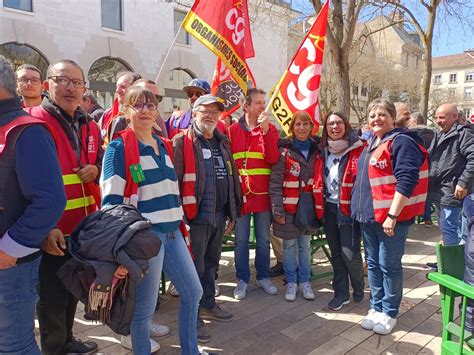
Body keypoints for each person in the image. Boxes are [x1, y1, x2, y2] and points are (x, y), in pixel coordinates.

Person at [101, 86, 202, 354]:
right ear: (126, 110)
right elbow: (111, 204)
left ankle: (190, 350)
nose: (145, 110)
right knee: (143, 310)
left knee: (193, 293)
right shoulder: (118, 148)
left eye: (150, 105)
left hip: (174, 233)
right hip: (146, 239)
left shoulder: (165, 145)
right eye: (138, 105)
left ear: (157, 111)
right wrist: (119, 253)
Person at [25, 59, 102, 354]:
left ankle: (68, 340)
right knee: (53, 296)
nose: (70, 87)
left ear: (84, 89)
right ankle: (55, 348)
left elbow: (99, 162)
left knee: (74, 290)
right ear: (48, 85)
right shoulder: (33, 122)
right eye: (63, 80)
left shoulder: (89, 125)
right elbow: (24, 181)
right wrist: (45, 227)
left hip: (83, 227)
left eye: (77, 82)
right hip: (52, 230)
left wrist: (94, 169)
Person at [0, 58, 66, 355]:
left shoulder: (27, 130)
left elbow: (50, 199)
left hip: (9, 266)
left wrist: (9, 250)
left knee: (14, 346)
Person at [351, 98, 428, 335]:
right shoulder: (373, 142)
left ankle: (390, 311)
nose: (377, 119)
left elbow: (407, 179)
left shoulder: (401, 141)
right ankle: (376, 307)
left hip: (390, 219)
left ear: (393, 117)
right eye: (373, 115)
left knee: (389, 266)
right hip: (369, 217)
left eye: (382, 114)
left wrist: (392, 215)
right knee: (373, 265)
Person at [173, 94, 242, 342]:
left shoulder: (223, 143)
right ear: (194, 113)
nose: (211, 115)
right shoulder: (182, 142)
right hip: (195, 218)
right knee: (194, 268)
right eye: (205, 110)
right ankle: (193, 317)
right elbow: (176, 182)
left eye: (215, 111)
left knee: (212, 263)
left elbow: (231, 178)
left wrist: (232, 211)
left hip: (219, 215)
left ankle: (209, 303)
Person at [228, 88, 280, 300]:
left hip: (262, 196)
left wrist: (266, 132)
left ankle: (263, 276)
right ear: (246, 106)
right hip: (240, 197)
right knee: (240, 240)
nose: (262, 106)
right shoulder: (231, 131)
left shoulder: (271, 130)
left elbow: (273, 158)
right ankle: (242, 279)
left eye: (263, 102)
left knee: (262, 239)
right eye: (258, 103)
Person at [269, 111, 321, 302]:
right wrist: (277, 210)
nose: (301, 128)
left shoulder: (318, 151)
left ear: (311, 127)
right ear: (292, 127)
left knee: (305, 246)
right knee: (289, 246)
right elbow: (275, 184)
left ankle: (304, 281)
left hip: (309, 208)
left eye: (305, 124)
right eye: (298, 124)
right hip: (288, 209)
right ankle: (291, 281)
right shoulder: (284, 152)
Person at [320, 111, 365, 310]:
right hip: (328, 207)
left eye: (339, 123)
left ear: (346, 125)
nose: (335, 127)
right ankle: (341, 293)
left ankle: (358, 284)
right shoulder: (322, 150)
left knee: (350, 253)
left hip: (348, 208)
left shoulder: (358, 148)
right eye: (330, 124)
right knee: (336, 253)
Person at [428, 103, 474, 246]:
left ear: (454, 116)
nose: (438, 121)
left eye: (442, 117)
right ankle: (448, 260)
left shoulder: (464, 134)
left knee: (450, 228)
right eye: (436, 118)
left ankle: (452, 265)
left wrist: (462, 182)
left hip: (451, 189)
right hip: (439, 189)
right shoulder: (439, 134)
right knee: (445, 227)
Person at [408, 111, 435, 227]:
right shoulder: (435, 133)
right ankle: (427, 218)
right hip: (430, 167)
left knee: (410, 192)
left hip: (414, 166)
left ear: (414, 121)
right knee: (427, 194)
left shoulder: (410, 133)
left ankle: (410, 219)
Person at [98, 71, 141, 139]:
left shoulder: (145, 116)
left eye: (123, 87)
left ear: (136, 89)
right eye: (117, 87)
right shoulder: (107, 114)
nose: (118, 90)